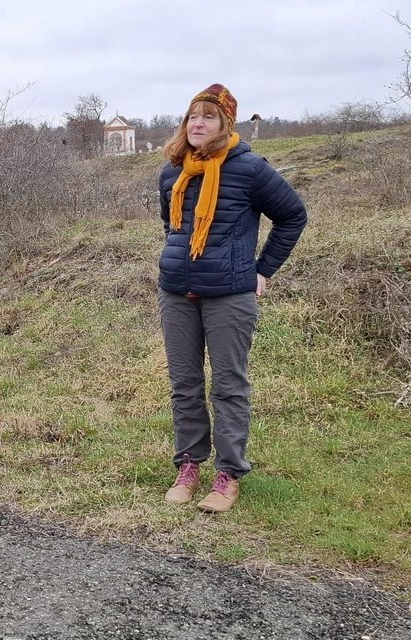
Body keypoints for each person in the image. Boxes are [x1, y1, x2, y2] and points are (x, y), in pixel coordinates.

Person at [157, 84, 307, 513]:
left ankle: (228, 475)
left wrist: (262, 269)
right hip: (176, 293)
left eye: (209, 116)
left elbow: (293, 216)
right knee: (184, 385)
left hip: (230, 295)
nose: (198, 123)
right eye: (193, 116)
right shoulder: (172, 171)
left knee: (228, 385)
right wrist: (178, 261)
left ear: (225, 123)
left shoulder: (250, 168)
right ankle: (188, 465)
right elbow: (172, 226)